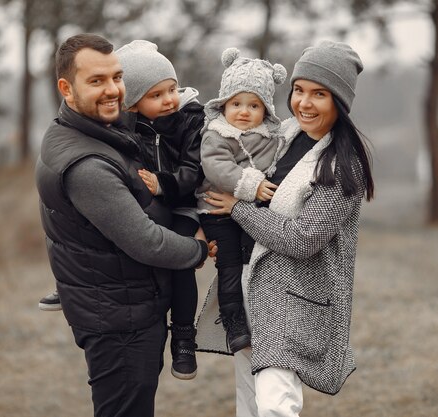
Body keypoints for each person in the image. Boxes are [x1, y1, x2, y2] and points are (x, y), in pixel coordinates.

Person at [35, 33, 214, 417]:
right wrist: (200, 248)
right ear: (66, 88)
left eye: (117, 77)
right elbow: (146, 241)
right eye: (96, 81)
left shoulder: (93, 131)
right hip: (120, 323)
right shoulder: (88, 165)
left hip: (124, 308)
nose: (112, 89)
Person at [203, 40, 374, 416]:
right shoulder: (282, 135)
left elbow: (303, 238)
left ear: (339, 103)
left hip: (294, 302)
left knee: (276, 405)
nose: (304, 103)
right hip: (250, 284)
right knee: (248, 399)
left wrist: (238, 210)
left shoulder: (343, 165)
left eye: (319, 94)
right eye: (299, 90)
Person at [114, 39, 205, 380]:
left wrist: (164, 183)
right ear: (135, 104)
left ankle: (183, 336)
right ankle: (74, 285)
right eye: (157, 95)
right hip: (150, 204)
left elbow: (195, 169)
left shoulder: (191, 119)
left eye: (172, 89)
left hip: (185, 203)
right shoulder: (127, 127)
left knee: (181, 256)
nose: (170, 100)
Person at [195, 47, 287, 353]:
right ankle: (233, 321)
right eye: (236, 103)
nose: (244, 112)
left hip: (251, 211)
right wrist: (252, 185)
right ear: (224, 105)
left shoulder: (271, 136)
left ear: (266, 110)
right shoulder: (216, 133)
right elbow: (217, 168)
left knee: (257, 262)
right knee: (230, 263)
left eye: (254, 105)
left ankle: (263, 315)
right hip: (218, 211)